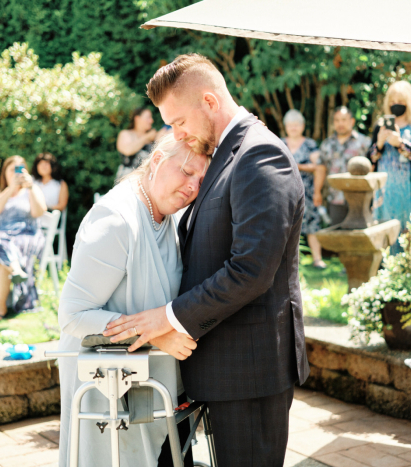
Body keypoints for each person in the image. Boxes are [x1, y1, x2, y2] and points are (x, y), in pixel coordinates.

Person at [104, 53, 310, 467]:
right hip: (225, 369)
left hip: (250, 371)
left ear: (210, 102)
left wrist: (168, 317)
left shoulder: (259, 156)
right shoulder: (224, 155)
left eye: (178, 121)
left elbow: (251, 270)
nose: (176, 133)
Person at [57, 133, 207, 466]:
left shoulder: (167, 213)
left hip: (158, 386)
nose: (192, 187)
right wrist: (154, 332)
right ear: (156, 161)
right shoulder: (115, 219)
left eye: (200, 180)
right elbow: (73, 315)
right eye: (186, 171)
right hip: (108, 393)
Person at [0, 156, 47, 323]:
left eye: (21, 168)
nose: (17, 172)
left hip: (27, 236)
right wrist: (10, 189)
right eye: (13, 169)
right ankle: (15, 267)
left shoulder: (32, 190)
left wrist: (31, 187)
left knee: (0, 259)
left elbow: (39, 212)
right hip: (4, 237)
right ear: (5, 173)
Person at [368, 80, 411, 250]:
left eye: (400, 102)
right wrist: (379, 143)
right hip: (384, 193)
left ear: (408, 103)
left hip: (409, 192)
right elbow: (369, 160)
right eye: (392, 102)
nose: (396, 105)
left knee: (410, 236)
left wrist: (400, 143)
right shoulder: (380, 126)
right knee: (383, 233)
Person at [282, 109, 326, 268]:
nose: (293, 128)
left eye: (297, 125)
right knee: (285, 227)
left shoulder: (310, 144)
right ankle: (287, 262)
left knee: (312, 226)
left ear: (302, 126)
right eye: (290, 125)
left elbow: (319, 167)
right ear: (285, 127)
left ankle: (317, 259)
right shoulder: (279, 142)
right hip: (283, 193)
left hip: (306, 192)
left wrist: (317, 192)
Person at [318, 106, 371, 224]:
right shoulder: (327, 144)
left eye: (343, 120)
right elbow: (321, 168)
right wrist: (317, 192)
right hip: (335, 198)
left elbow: (372, 169)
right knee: (338, 236)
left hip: (360, 199)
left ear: (352, 121)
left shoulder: (364, 143)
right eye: (337, 120)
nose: (340, 123)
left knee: (359, 237)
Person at [116, 107, 169, 179]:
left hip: (147, 181)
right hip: (127, 179)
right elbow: (128, 150)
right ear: (137, 119)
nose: (151, 120)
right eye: (148, 117)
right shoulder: (125, 134)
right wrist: (147, 137)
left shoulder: (153, 138)